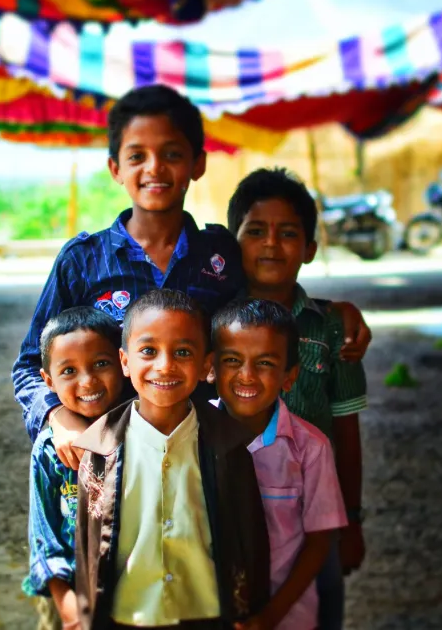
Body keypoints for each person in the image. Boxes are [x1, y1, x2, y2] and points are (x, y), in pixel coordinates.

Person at [12, 84, 372, 472]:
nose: (154, 168)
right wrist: (56, 417)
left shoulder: (219, 254)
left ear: (197, 164)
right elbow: (32, 364)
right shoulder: (82, 262)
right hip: (110, 462)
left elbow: (268, 299)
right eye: (137, 156)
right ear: (115, 168)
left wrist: (334, 312)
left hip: (203, 463)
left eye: (172, 154)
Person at [72, 289, 271, 629]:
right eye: (148, 351)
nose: (165, 366)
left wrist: (252, 611)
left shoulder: (228, 447)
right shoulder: (99, 452)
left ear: (206, 364)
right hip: (127, 616)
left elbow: (251, 538)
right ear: (125, 361)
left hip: (208, 613)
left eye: (182, 352)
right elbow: (86, 549)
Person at [227, 167, 369, 630]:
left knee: (318, 608)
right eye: (256, 231)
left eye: (288, 233)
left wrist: (351, 520)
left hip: (315, 519)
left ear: (309, 248)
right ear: (233, 242)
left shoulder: (332, 329)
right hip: (233, 510)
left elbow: (346, 430)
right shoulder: (215, 324)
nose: (271, 244)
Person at [24, 307, 127, 630]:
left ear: (123, 363)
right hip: (67, 598)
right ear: (48, 381)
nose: (88, 380)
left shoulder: (140, 434)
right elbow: (44, 536)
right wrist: (66, 606)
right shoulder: (48, 452)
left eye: (101, 363)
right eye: (69, 371)